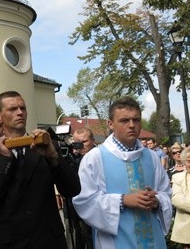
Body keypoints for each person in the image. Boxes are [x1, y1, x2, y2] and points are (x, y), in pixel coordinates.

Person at [0, 91, 81, 248]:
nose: (20, 113)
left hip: (48, 241)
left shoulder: (46, 145)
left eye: (23, 108)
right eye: (12, 109)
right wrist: (6, 160)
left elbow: (72, 189)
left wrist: (53, 157)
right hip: (10, 244)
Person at [72, 96, 172, 249]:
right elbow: (84, 202)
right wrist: (123, 200)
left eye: (136, 120)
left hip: (154, 241)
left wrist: (157, 201)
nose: (132, 125)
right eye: (124, 120)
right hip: (115, 242)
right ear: (110, 124)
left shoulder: (151, 157)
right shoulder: (95, 157)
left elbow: (166, 193)